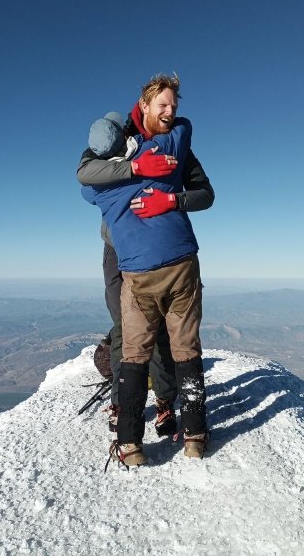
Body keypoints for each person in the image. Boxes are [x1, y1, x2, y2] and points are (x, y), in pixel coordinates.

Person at [80, 73, 210, 466]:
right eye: (163, 106)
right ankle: (193, 436)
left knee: (140, 350)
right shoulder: (167, 146)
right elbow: (89, 166)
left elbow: (85, 179)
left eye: (174, 106)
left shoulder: (102, 186)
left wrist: (172, 200)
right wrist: (139, 169)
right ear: (144, 106)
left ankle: (133, 440)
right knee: (177, 345)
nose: (171, 113)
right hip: (160, 257)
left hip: (140, 265)